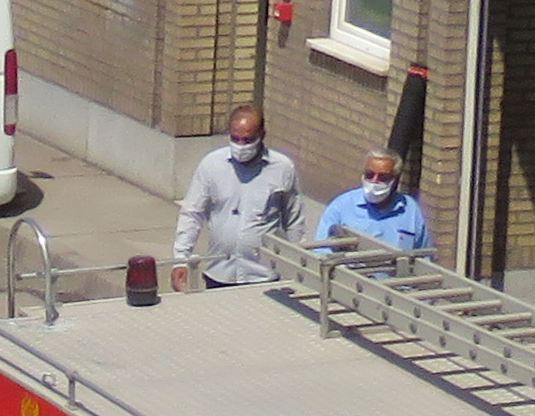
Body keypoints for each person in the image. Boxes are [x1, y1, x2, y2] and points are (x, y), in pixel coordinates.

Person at [169, 107, 301, 290]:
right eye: (235, 139)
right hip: (219, 273)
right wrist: (181, 260)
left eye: (248, 140)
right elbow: (192, 213)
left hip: (263, 276)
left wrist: (299, 270)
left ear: (262, 135)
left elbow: (293, 221)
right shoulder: (211, 165)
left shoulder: (282, 168)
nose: (241, 146)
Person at [313, 151, 431, 254]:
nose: (375, 181)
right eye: (370, 175)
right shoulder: (341, 206)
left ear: (394, 179)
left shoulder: (410, 210)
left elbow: (423, 254)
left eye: (383, 177)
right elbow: (322, 250)